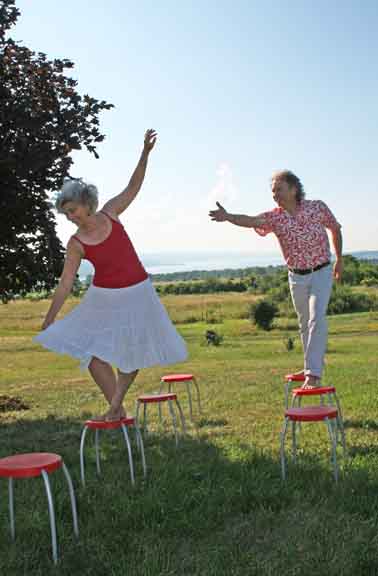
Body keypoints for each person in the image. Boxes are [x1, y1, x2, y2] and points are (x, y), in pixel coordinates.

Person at [34, 129, 188, 420]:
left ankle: (115, 408)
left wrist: (144, 153)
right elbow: (66, 282)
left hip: (137, 292)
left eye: (73, 210)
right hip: (103, 299)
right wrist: (50, 317)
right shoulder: (76, 243)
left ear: (86, 203)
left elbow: (133, 186)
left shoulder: (111, 213)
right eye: (66, 214)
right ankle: (117, 409)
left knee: (132, 355)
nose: (71, 217)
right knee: (94, 359)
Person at [209, 170, 343, 388]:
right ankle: (310, 366)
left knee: (316, 318)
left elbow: (335, 229)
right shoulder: (275, 217)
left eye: (278, 190)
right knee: (304, 323)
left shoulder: (317, 207)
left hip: (321, 271)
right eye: (273, 191)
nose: (275, 195)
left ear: (293, 189)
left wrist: (339, 259)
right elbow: (251, 220)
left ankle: (313, 375)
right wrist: (228, 217)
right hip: (296, 277)